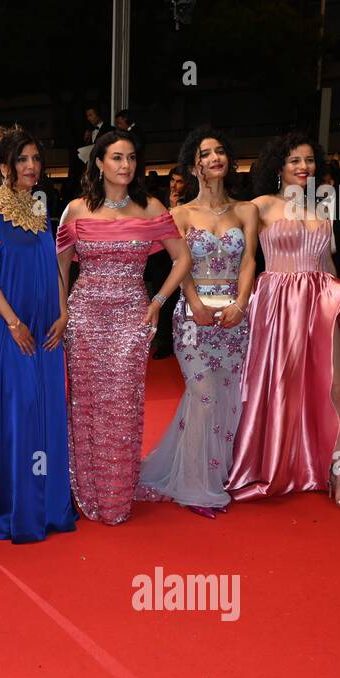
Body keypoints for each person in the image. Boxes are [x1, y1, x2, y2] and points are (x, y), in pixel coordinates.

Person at [227, 132, 340, 511]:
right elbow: (241, 260)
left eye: (309, 160)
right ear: (279, 166)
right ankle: (275, 463)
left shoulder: (321, 209)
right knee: (278, 388)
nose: (304, 167)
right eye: (295, 160)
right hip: (277, 304)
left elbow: (326, 263)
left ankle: (338, 476)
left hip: (322, 302)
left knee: (336, 387)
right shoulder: (258, 206)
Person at [57, 130, 189, 524]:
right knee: (85, 406)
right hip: (84, 315)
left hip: (132, 315)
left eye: (131, 157)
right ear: (98, 163)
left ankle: (116, 494)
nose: (125, 165)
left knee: (122, 406)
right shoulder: (76, 210)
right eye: (116, 158)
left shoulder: (150, 209)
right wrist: (63, 312)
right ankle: (86, 488)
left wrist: (157, 302)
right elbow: (60, 266)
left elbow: (182, 260)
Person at [0, 127, 76, 542]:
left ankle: (43, 504)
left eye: (35, 160)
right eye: (22, 160)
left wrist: (63, 312)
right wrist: (12, 321)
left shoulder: (40, 211)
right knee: (20, 408)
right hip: (10, 329)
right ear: (5, 166)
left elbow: (54, 268)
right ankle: (10, 504)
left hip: (46, 328)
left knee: (43, 410)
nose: (31, 167)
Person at [138, 127, 258, 517]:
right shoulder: (181, 213)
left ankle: (214, 474)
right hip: (193, 319)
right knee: (204, 395)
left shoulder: (247, 210)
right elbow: (179, 264)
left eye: (220, 151)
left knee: (226, 399)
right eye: (205, 154)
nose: (214, 158)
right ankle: (195, 486)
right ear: (194, 165)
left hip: (235, 317)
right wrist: (195, 303)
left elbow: (250, 261)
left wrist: (242, 302)